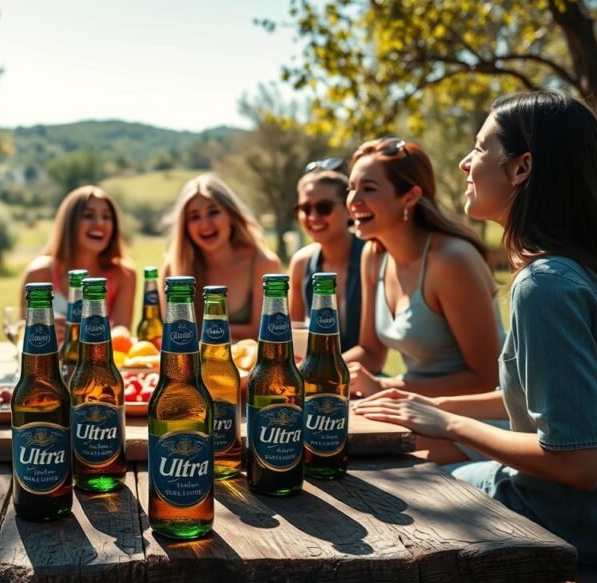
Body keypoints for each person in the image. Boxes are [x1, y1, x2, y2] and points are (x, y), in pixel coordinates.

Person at [355, 90, 597, 565]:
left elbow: (578, 463)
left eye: (479, 148)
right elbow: (548, 398)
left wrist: (449, 422)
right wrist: (428, 404)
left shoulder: (547, 286)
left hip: (572, 526)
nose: (463, 163)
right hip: (581, 512)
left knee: (386, 497)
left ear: (521, 168)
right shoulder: (585, 271)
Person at [342, 138, 503, 402]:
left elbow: (486, 379)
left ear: (410, 196)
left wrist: (384, 388)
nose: (353, 201)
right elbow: (371, 351)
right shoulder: (374, 254)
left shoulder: (451, 261)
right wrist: (310, 372)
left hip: (477, 418)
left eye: (369, 189)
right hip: (415, 411)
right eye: (351, 188)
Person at [161, 173, 281, 341]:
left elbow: (263, 332)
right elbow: (169, 334)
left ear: (231, 215)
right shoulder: (173, 269)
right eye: (194, 217)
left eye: (213, 212)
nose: (205, 224)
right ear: (185, 227)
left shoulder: (263, 264)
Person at [19, 185, 136, 329]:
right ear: (69, 223)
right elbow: (22, 332)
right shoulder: (40, 273)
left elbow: (122, 336)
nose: (99, 223)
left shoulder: (124, 274)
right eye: (88, 215)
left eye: (106, 217)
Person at [288, 167, 366, 349]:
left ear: (349, 210)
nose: (313, 217)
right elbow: (294, 334)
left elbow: (372, 351)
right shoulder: (301, 263)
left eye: (324, 208)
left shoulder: (372, 257)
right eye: (305, 209)